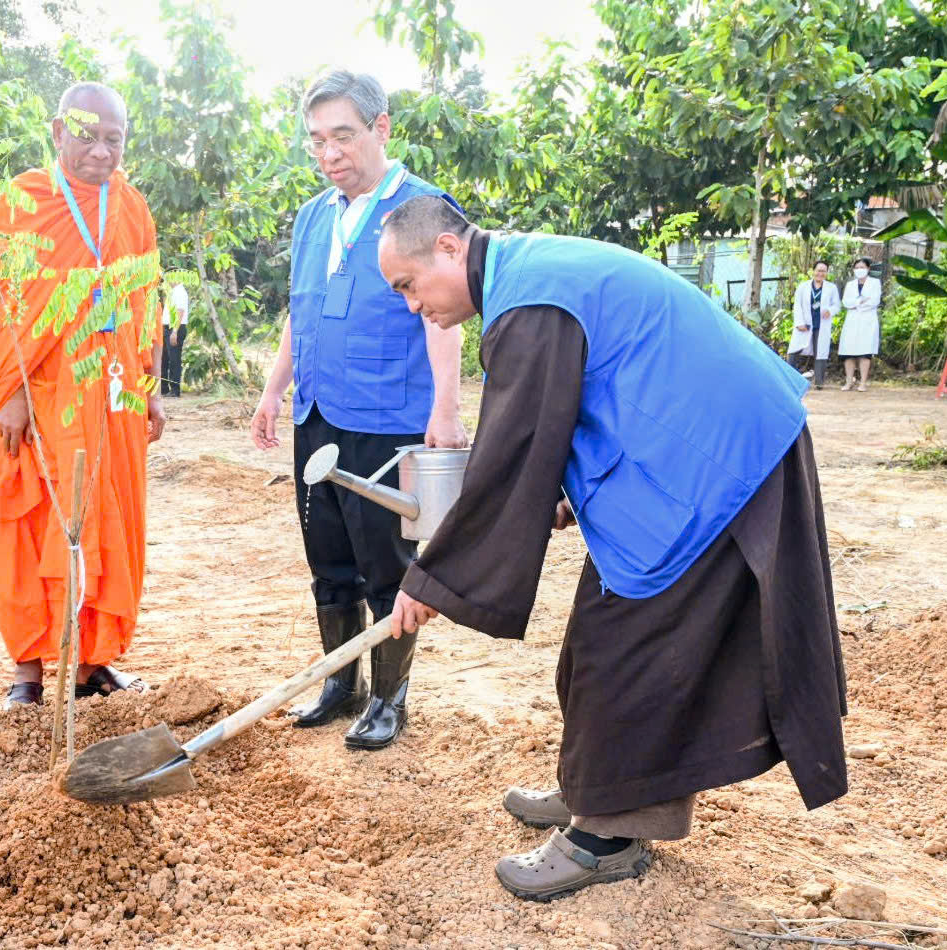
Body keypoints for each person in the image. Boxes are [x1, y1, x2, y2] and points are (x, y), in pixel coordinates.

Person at [377, 196, 846, 900]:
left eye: (408, 285)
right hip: (684, 445)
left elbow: (512, 456)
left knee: (623, 644)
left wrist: (432, 577)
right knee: (599, 637)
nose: (413, 307)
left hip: (716, 455)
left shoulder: (528, 304)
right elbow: (572, 410)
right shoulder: (525, 278)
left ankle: (607, 837)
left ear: (448, 249)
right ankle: (599, 790)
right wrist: (558, 497)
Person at [0, 82, 166, 708]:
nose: (101, 150)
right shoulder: (26, 200)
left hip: (112, 396)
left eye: (115, 139)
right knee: (36, 521)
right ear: (59, 131)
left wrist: (151, 388)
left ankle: (92, 665)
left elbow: (146, 306)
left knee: (107, 520)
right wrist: (9, 393)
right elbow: (3, 305)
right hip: (40, 396)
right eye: (88, 135)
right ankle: (28, 672)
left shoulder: (133, 207)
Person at [250, 70, 468, 750]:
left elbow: (444, 315)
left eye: (343, 135)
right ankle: (340, 683)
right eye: (317, 141)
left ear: (381, 128)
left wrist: (447, 409)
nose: (329, 153)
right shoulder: (315, 216)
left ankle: (390, 697)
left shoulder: (424, 209)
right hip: (319, 413)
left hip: (387, 416)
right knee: (329, 558)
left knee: (388, 563)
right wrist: (273, 388)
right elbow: (301, 310)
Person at [786, 260, 838, 389]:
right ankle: (789, 379)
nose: (821, 273)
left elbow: (837, 305)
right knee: (794, 351)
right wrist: (799, 322)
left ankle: (819, 383)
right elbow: (797, 305)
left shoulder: (831, 288)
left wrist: (830, 311)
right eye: (819, 270)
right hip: (805, 324)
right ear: (813, 271)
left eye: (824, 271)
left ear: (827, 273)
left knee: (820, 352)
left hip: (821, 325)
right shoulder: (803, 287)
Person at [840, 257, 881, 392]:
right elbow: (846, 302)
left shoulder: (875, 283)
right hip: (851, 321)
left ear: (868, 269)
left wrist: (856, 303)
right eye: (857, 268)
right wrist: (860, 301)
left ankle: (862, 382)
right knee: (848, 352)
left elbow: (874, 301)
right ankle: (848, 381)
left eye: (862, 267)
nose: (859, 270)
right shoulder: (850, 285)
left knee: (865, 352)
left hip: (867, 321)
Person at [160, 282, 189, 396]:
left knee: (174, 360)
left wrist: (174, 332)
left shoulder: (180, 292)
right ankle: (164, 388)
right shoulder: (172, 291)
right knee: (165, 359)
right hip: (168, 328)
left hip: (175, 328)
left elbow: (180, 312)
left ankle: (175, 390)